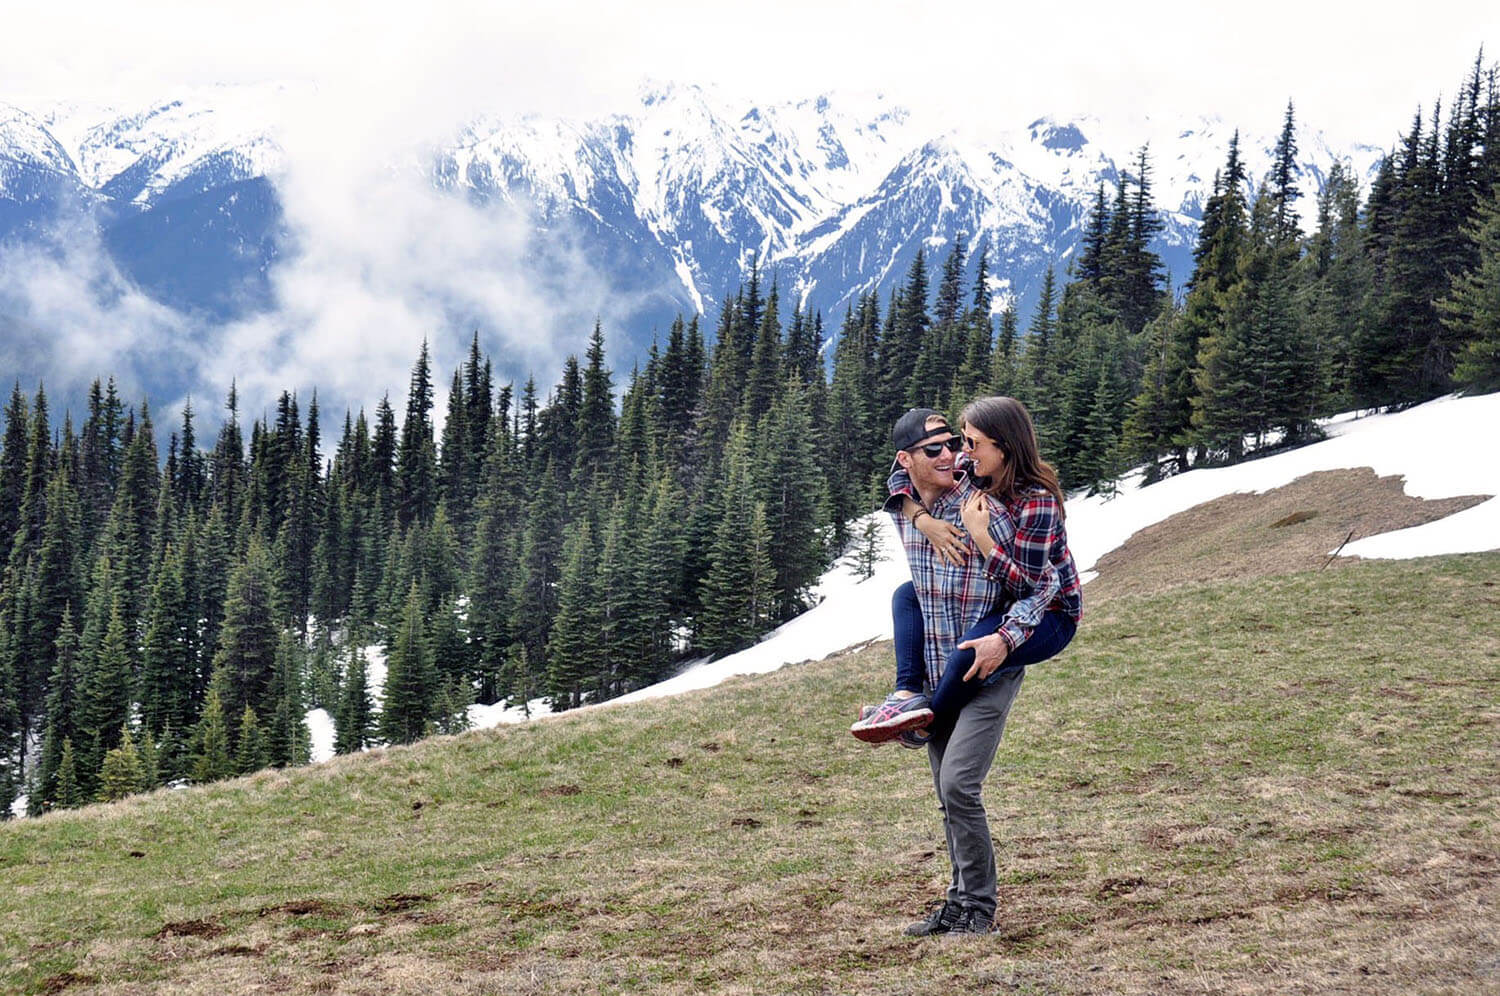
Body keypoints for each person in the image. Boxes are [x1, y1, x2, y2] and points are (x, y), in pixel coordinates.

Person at [851, 399, 1082, 937]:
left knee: (959, 784)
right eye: (937, 448)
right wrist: (921, 518)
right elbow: (894, 482)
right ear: (907, 460)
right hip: (940, 664)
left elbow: (1041, 585)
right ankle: (956, 904)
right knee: (945, 792)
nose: (953, 455)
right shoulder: (906, 498)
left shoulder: (983, 504)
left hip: (989, 661)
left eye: (958, 444)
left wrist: (1003, 641)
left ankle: (978, 908)